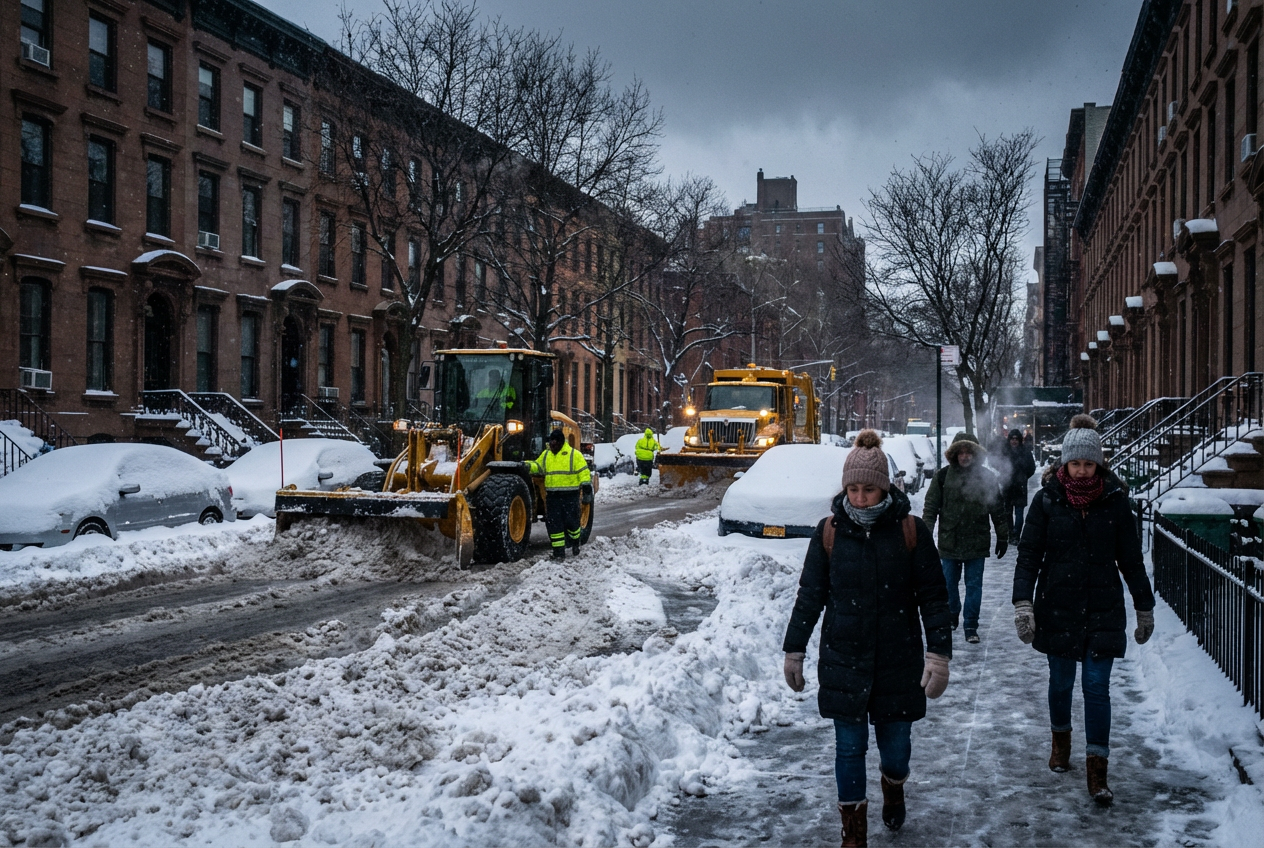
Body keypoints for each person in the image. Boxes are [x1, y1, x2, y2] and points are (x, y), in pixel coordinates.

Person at [783, 430, 952, 847]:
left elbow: (933, 596)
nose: (860, 497)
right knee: (848, 748)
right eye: (853, 489)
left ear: (886, 487)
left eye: (869, 489)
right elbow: (810, 596)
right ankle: (852, 834)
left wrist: (939, 655)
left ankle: (893, 787)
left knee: (896, 751)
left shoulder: (911, 531)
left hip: (899, 661)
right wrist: (794, 649)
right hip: (845, 660)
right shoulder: (829, 533)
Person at [1012, 414, 1154, 806]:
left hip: (1103, 608)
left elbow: (1131, 559)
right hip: (1057, 606)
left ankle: (1097, 770)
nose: (1081, 470)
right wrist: (1023, 602)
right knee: (1060, 683)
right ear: (1064, 464)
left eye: (1088, 464)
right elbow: (1028, 557)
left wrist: (1144, 606)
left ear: (1099, 464)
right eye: (1075, 463)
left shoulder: (1115, 501)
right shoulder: (1046, 501)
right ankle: (1060, 740)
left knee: (1096, 687)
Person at [922, 431, 1009, 644]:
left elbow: (997, 509)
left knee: (974, 586)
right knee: (949, 584)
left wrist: (1003, 535)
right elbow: (931, 508)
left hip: (976, 541)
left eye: (969, 451)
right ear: (954, 454)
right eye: (960, 452)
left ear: (975, 454)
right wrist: (924, 536)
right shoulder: (942, 477)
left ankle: (971, 624)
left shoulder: (987, 477)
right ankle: (952, 615)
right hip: (949, 541)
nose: (965, 456)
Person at [527, 428, 592, 558]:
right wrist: (527, 465)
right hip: (552, 497)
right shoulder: (547, 455)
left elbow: (584, 472)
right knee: (554, 525)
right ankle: (558, 552)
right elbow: (538, 466)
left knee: (572, 523)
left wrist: (586, 487)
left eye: (555, 442)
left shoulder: (574, 455)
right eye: (551, 442)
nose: (552, 445)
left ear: (561, 442)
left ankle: (575, 542)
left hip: (570, 496)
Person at [999, 428, 1037, 538]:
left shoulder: (1025, 452)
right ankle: (1011, 533)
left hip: (1020, 487)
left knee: (1019, 513)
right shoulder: (1005, 451)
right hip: (1008, 486)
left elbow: (1031, 467)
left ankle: (1016, 534)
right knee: (1008, 513)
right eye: (1012, 438)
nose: (1014, 441)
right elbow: (998, 465)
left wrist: (1023, 476)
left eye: (1016, 438)